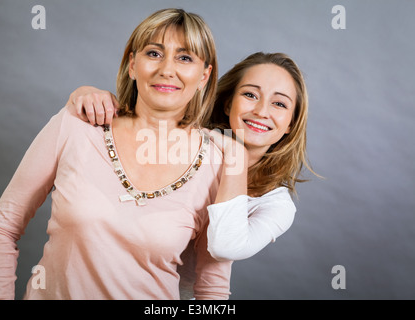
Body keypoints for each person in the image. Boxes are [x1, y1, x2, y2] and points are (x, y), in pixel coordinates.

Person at [0, 8, 232, 300]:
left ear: (204, 75)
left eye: (185, 58)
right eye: (154, 53)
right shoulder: (77, 125)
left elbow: (211, 288)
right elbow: (2, 229)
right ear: (132, 64)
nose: (167, 69)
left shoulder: (216, 166)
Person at [67, 52, 317, 262]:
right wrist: (85, 92)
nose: (262, 111)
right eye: (250, 95)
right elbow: (129, 124)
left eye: (280, 104)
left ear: (290, 125)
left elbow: (224, 248)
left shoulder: (276, 205)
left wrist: (234, 156)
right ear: (228, 104)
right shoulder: (182, 138)